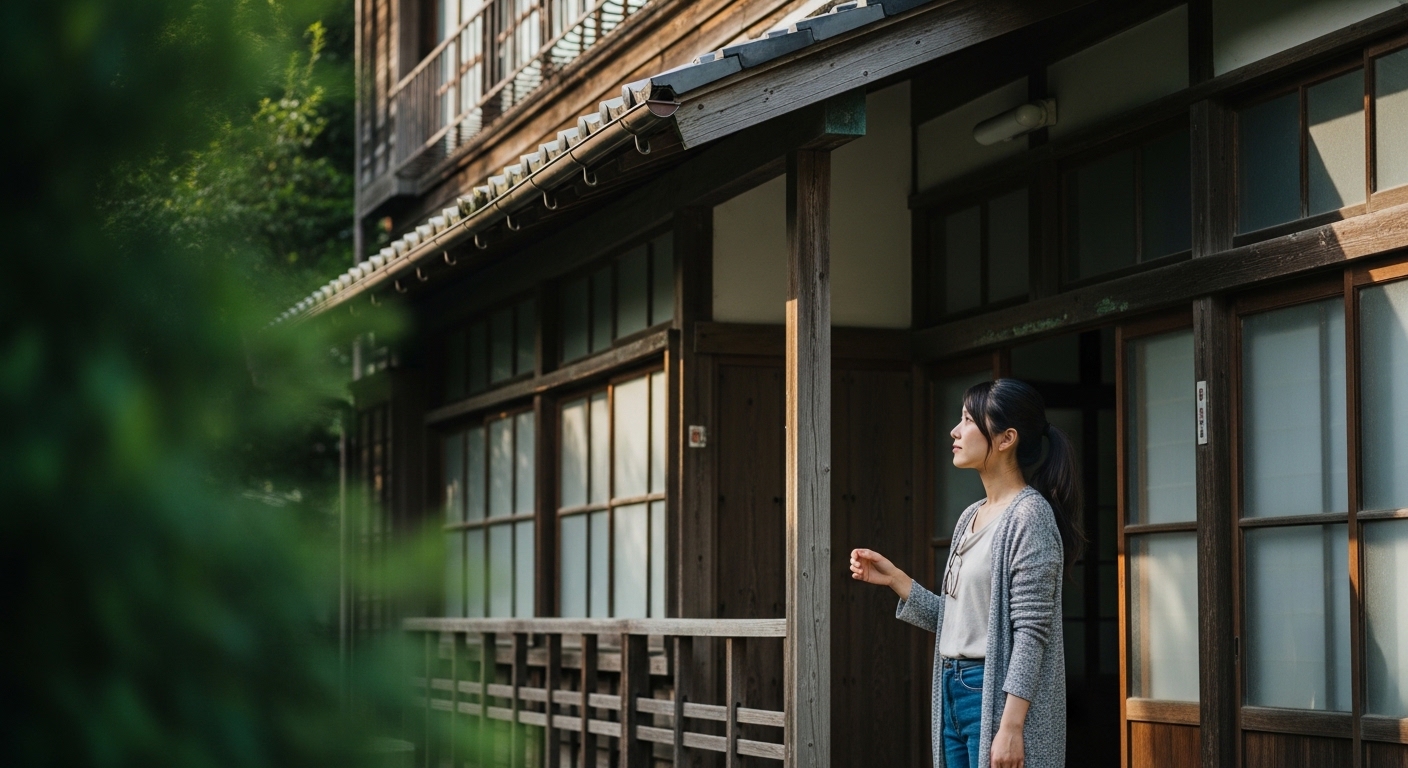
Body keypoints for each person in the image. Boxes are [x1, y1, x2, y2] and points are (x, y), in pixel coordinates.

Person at [850, 378, 1083, 768]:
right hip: (951, 688)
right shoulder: (969, 517)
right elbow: (961, 622)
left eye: (968, 420)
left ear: (1006, 438)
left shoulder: (1029, 516)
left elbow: (1031, 635)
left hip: (991, 694)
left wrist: (1011, 728)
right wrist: (896, 580)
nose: (955, 431)